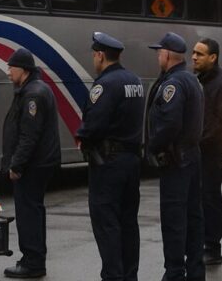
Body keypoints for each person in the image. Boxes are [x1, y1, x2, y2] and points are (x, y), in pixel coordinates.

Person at [77, 33, 145, 281]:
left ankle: (113, 276)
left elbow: (93, 124)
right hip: (131, 161)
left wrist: (82, 137)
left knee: (107, 224)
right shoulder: (134, 80)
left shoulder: (105, 84)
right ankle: (129, 275)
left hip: (108, 164)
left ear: (100, 55)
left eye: (94, 55)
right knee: (128, 223)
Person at [146, 32, 206, 281]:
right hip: (192, 156)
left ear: (168, 54)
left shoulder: (173, 83)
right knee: (193, 218)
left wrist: (153, 146)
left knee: (174, 220)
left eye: (159, 52)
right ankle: (195, 272)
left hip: (176, 160)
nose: (158, 56)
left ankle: (174, 273)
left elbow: (170, 123)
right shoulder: (191, 80)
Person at [2, 47, 61, 279]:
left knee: (28, 212)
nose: (8, 72)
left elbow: (29, 136)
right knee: (33, 210)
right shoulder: (33, 89)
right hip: (39, 163)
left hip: (33, 165)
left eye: (11, 67)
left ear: (23, 70)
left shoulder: (32, 94)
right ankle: (33, 258)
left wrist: (16, 165)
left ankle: (33, 262)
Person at [191, 38, 222, 266]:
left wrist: (199, 140)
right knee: (198, 199)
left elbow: (221, 122)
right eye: (193, 53)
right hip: (197, 150)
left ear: (213, 58)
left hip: (211, 151)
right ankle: (200, 244)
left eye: (200, 54)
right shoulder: (199, 80)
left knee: (210, 198)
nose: (194, 57)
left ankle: (213, 248)